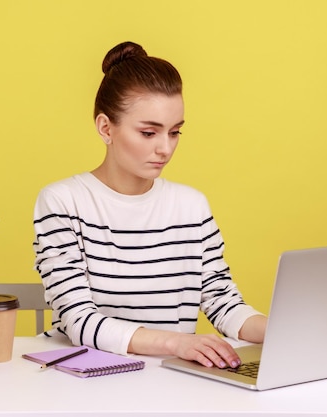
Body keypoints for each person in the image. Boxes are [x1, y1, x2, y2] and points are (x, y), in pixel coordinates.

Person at [33, 41, 266, 369]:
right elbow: (78, 320)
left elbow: (222, 302)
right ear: (105, 128)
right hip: (82, 377)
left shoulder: (192, 206)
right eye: (148, 133)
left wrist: (282, 330)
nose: (165, 149)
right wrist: (176, 341)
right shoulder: (62, 201)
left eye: (174, 132)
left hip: (168, 376)